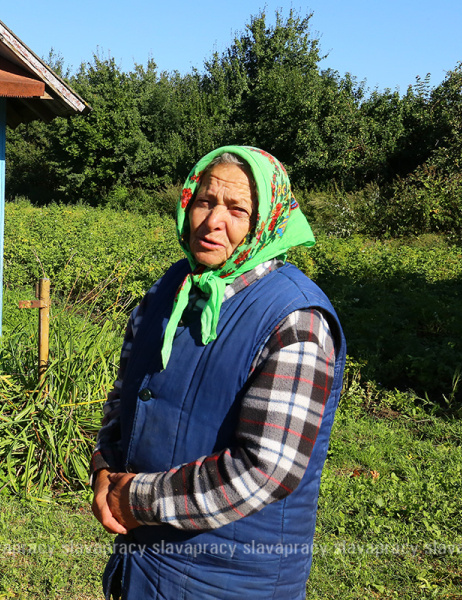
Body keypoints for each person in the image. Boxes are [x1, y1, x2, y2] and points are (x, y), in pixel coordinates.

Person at [90, 146, 346, 599]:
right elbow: (125, 392)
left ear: (266, 221)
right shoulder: (170, 290)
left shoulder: (295, 321)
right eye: (205, 201)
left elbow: (265, 468)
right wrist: (104, 467)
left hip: (231, 578)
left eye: (237, 209)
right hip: (145, 567)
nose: (213, 222)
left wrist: (135, 499)